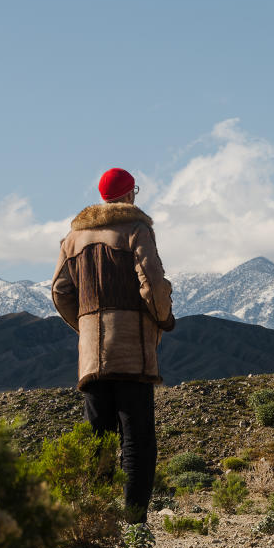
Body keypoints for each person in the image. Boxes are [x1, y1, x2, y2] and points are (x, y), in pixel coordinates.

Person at [51, 167, 175, 524]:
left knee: (98, 437)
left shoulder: (72, 239)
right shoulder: (137, 230)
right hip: (131, 349)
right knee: (136, 437)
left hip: (92, 354)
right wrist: (162, 318)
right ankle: (134, 522)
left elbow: (60, 291)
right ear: (129, 194)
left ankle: (98, 517)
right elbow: (151, 282)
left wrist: (86, 327)